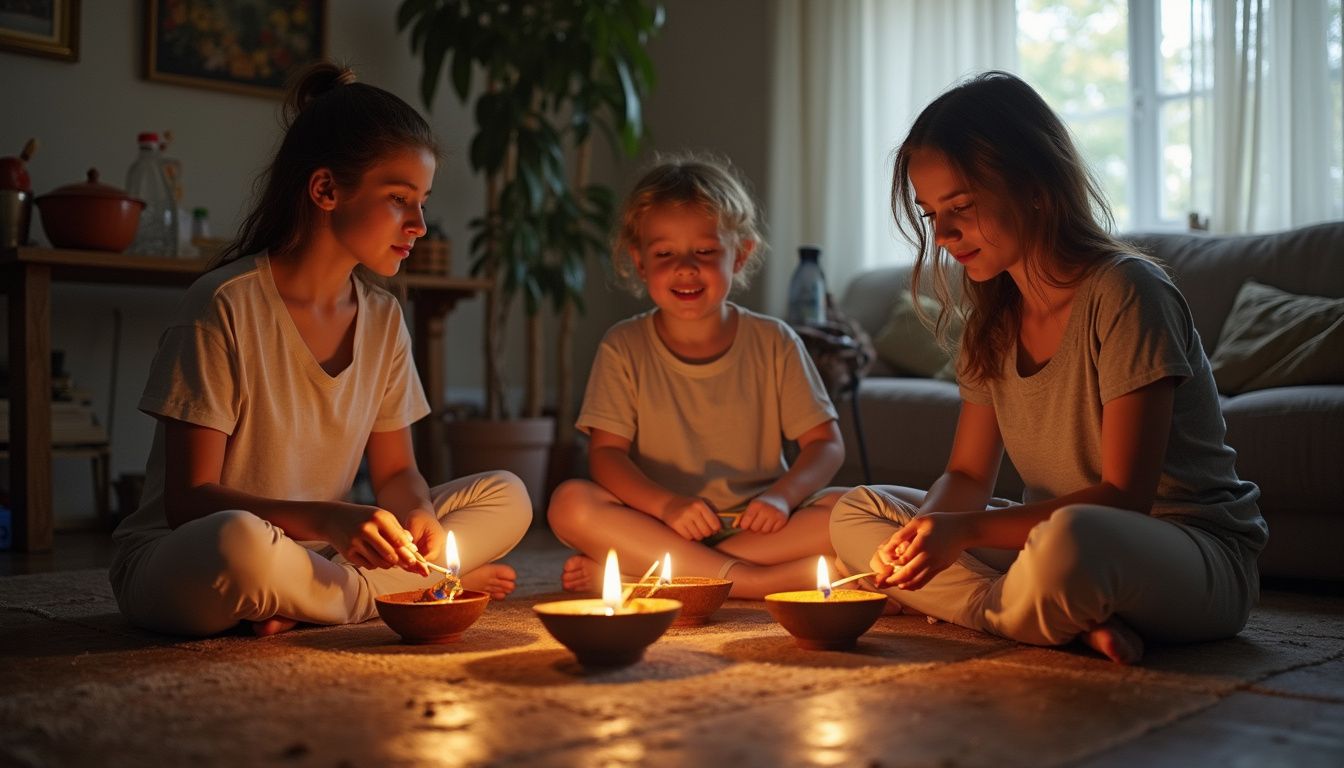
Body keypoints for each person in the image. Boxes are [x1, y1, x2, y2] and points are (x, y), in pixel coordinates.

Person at [830, 71, 1267, 664]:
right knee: (858, 512)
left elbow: (1123, 498)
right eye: (932, 215)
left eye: (960, 206)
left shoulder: (1127, 291)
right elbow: (965, 474)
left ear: (1035, 185)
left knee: (1070, 540)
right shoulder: (991, 320)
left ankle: (1005, 612)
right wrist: (925, 535)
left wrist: (967, 532)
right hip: (1054, 544)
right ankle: (1052, 616)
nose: (945, 234)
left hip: (1186, 551)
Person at [109, 62, 532, 638]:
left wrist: (419, 516)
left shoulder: (383, 318)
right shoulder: (223, 305)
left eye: (422, 202)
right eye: (399, 199)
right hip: (188, 554)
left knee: (508, 494)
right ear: (326, 189)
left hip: (321, 552)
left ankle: (312, 598)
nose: (420, 225)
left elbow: (400, 470)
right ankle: (386, 594)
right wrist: (332, 519)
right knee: (238, 545)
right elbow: (190, 501)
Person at [546, 154, 848, 599]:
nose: (685, 267)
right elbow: (606, 456)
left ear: (740, 255)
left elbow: (826, 445)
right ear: (640, 260)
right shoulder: (623, 345)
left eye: (705, 252)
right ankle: (755, 582)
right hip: (659, 526)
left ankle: (648, 577)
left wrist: (782, 498)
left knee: (851, 509)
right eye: (665, 253)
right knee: (570, 503)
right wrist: (666, 506)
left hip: (761, 527)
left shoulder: (774, 340)